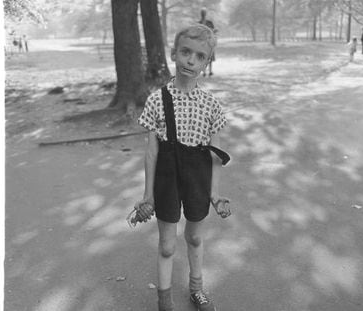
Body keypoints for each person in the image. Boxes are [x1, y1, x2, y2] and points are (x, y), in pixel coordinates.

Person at [130, 24, 231, 311]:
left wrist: (214, 195)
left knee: (195, 237)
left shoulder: (211, 105)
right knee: (166, 245)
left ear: (206, 62)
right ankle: (164, 301)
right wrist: (147, 195)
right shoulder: (156, 100)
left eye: (200, 56)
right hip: (167, 178)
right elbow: (151, 153)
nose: (191, 60)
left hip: (198, 178)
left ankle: (196, 289)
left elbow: (215, 155)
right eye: (185, 52)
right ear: (174, 52)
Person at [198, 8, 217, 76]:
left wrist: (213, 31)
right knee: (203, 57)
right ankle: (204, 71)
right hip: (202, 43)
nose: (203, 14)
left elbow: (213, 31)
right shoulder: (198, 23)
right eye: (202, 13)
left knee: (210, 57)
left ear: (205, 14)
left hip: (209, 42)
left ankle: (210, 71)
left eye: (204, 13)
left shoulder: (209, 23)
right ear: (201, 14)